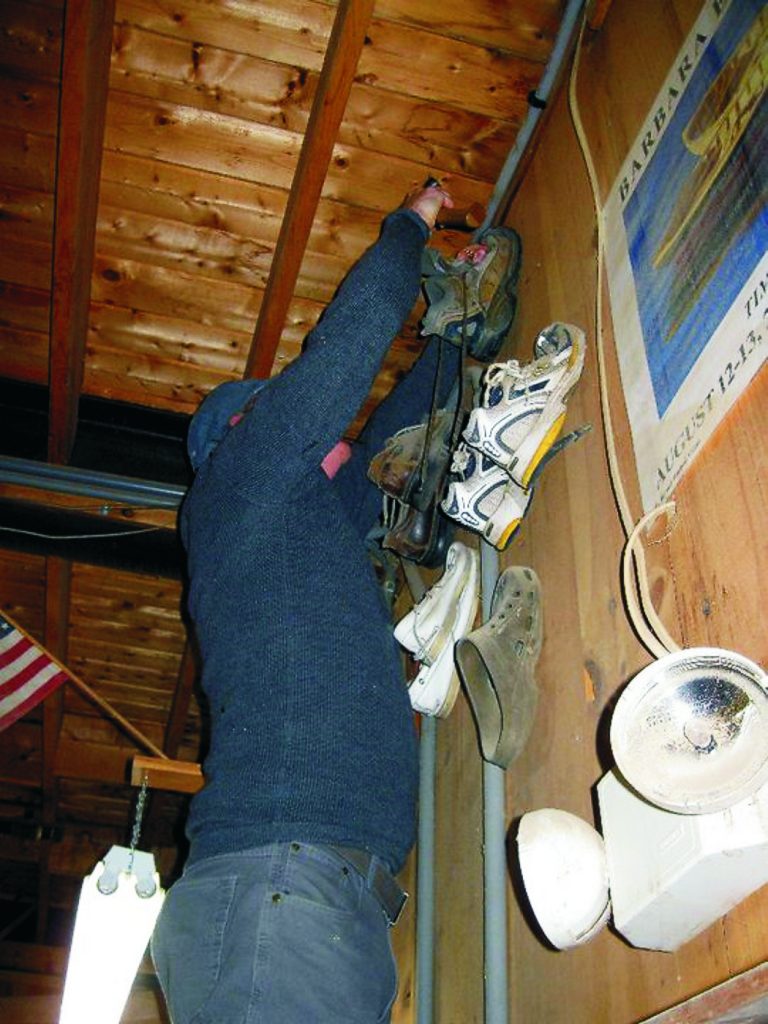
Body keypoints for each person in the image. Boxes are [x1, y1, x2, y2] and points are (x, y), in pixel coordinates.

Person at [150, 183, 462, 1024]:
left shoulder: (298, 520)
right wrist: (410, 228)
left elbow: (386, 446)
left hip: (289, 894)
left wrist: (453, 342)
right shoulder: (241, 485)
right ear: (246, 430)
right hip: (283, 894)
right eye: (284, 416)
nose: (326, 436)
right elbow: (341, 357)